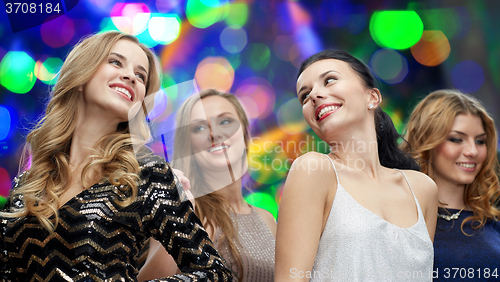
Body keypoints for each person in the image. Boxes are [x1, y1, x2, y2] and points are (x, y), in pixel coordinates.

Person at [0, 31, 232, 281]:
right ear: (80, 73)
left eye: (141, 76)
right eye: (115, 62)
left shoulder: (148, 176)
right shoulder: (27, 184)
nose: (131, 76)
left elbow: (214, 273)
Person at [274, 50, 438, 281]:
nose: (314, 95)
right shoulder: (313, 170)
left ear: (372, 97)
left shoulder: (422, 188)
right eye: (305, 95)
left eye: (329, 80)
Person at [139, 89, 276, 282]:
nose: (214, 133)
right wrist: (179, 217)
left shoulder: (267, 219)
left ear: (245, 135)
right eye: (199, 127)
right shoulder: (184, 210)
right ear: (189, 145)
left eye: (225, 121)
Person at [402, 89, 500, 281]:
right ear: (426, 140)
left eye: (480, 141)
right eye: (457, 139)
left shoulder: (493, 226)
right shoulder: (398, 221)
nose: (473, 151)